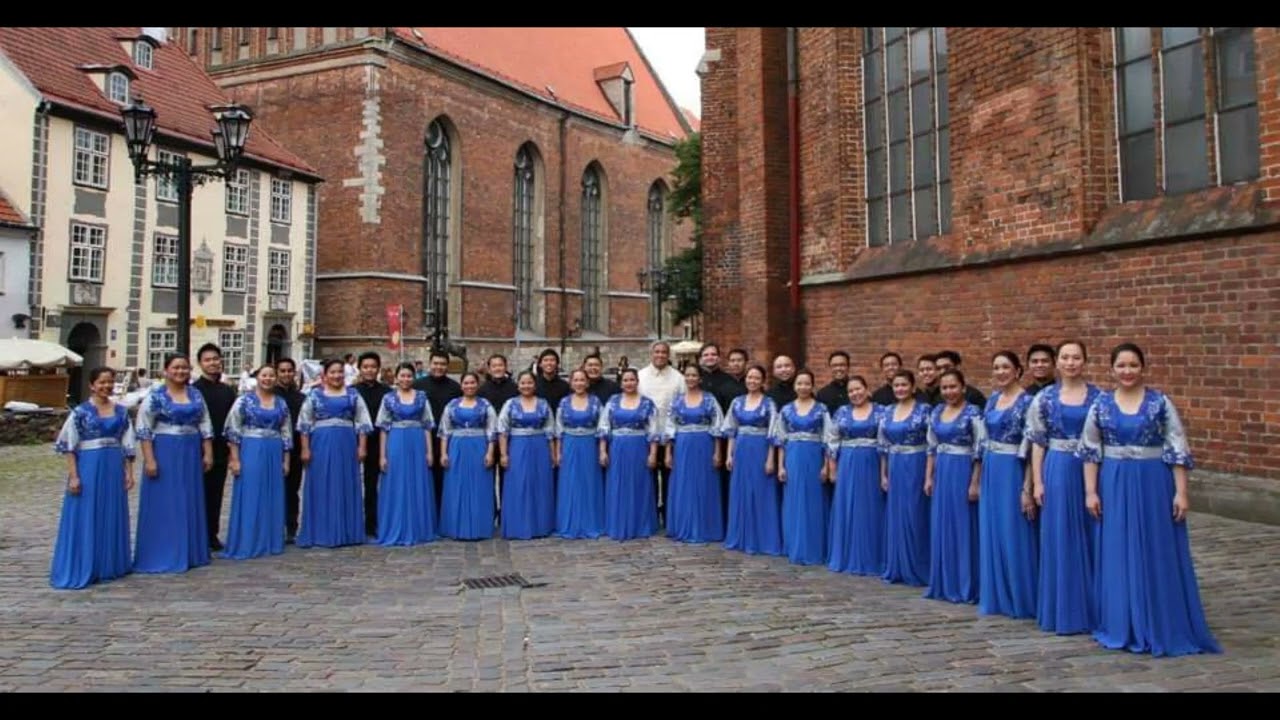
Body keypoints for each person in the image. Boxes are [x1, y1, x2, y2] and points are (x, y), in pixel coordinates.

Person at [1078, 343, 1221, 657]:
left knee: (1155, 547)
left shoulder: (1160, 403)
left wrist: (1181, 492)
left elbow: (1177, 449)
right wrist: (1090, 491)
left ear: (1143, 367)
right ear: (1112, 369)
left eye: (1133, 365)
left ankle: (1160, 618)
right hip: (1113, 482)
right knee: (1117, 548)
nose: (1127, 371)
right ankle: (1122, 621)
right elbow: (1090, 450)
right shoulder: (1100, 405)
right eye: (1121, 366)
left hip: (1153, 482)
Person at [1026, 340, 1100, 635]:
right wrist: (1038, 482)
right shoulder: (1044, 398)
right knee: (1060, 535)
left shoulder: (1098, 397)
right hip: (1057, 467)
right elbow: (1037, 442)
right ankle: (1064, 606)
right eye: (1066, 358)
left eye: (1076, 358)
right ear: (1058, 362)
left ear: (1085, 361)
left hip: (1092, 470)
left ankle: (1094, 604)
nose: (1071, 363)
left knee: (1091, 534)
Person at [50, 366, 136, 590]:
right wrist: (74, 476)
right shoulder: (80, 412)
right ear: (92, 385)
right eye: (102, 382)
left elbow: (128, 443)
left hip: (112, 466)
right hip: (89, 465)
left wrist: (128, 472)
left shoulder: (121, 411)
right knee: (88, 511)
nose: (106, 386)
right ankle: (86, 561)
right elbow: (69, 445)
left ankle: (109, 563)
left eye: (110, 382)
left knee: (110, 510)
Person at [133, 353, 214, 574]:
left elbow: (205, 423)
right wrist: (149, 459)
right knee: (166, 500)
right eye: (176, 368)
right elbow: (144, 428)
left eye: (185, 368)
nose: (181, 372)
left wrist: (207, 452)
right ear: (166, 371)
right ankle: (161, 550)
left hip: (190, 449)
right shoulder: (156, 396)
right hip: (165, 449)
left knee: (189, 497)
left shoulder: (195, 394)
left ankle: (189, 550)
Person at [978, 351, 1038, 620]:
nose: (1001, 372)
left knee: (1015, 530)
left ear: (1017, 370)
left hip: (1014, 467)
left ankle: (1021, 595)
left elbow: (1031, 443)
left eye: (1006, 367)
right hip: (992, 467)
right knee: (993, 529)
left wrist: (1027, 486)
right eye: (996, 367)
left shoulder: (1028, 402)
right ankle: (998, 593)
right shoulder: (992, 400)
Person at [297, 358, 373, 549]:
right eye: (333, 372)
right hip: (321, 443)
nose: (337, 375)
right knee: (321, 483)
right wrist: (305, 448)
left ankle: (348, 530)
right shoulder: (314, 395)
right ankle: (320, 530)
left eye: (340, 372)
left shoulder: (353, 395)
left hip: (346, 443)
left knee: (345, 482)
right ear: (324, 375)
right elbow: (304, 423)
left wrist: (362, 446)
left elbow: (363, 421)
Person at [922, 369, 984, 605]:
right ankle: (944, 581)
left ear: (963, 387)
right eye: (945, 388)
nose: (949, 392)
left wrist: (975, 482)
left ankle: (966, 583)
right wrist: (929, 477)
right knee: (943, 525)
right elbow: (931, 447)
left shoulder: (973, 413)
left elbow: (979, 449)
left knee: (963, 525)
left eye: (953, 387)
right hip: (942, 472)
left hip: (963, 470)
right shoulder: (937, 412)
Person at [222, 363, 293, 560]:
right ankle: (247, 538)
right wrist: (235, 458)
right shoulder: (244, 401)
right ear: (257, 377)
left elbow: (286, 432)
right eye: (264, 375)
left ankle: (269, 538)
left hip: (274, 448)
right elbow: (233, 430)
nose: (268, 379)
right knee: (251, 492)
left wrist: (285, 460)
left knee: (272, 493)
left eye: (271, 375)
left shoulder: (281, 403)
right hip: (251, 448)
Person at [825, 376, 887, 576]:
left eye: (858, 389)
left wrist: (884, 471)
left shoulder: (881, 412)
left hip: (872, 463)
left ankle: (871, 556)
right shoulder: (842, 413)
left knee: (870, 506)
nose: (855, 394)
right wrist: (832, 467)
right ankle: (847, 553)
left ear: (867, 389)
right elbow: (832, 439)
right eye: (851, 391)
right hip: (848, 463)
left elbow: (886, 440)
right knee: (848, 505)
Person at [772, 370, 833, 566]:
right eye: (799, 383)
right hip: (792, 458)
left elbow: (828, 439)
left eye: (807, 383)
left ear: (812, 385)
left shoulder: (821, 409)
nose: (803, 387)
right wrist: (781, 466)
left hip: (814, 457)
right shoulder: (787, 410)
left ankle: (815, 547)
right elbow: (780, 439)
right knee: (794, 500)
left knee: (814, 501)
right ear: (794, 386)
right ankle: (794, 545)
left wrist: (826, 466)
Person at [375, 362, 438, 546]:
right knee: (397, 482)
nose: (405, 379)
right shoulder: (388, 398)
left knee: (417, 481)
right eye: (402, 375)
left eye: (409, 376)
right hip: (395, 442)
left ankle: (419, 527)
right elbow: (383, 428)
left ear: (414, 377)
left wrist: (429, 452)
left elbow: (427, 425)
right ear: (396, 378)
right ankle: (395, 525)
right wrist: (382, 455)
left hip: (417, 441)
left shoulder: (421, 397)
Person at [722, 365, 781, 556]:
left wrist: (770, 459)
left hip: (761, 450)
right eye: (749, 377)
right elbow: (731, 430)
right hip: (741, 450)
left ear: (763, 381)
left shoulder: (769, 403)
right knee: (741, 492)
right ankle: (741, 536)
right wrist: (729, 455)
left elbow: (774, 433)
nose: (752, 381)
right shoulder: (737, 402)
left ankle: (762, 538)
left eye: (757, 378)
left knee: (761, 492)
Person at [662, 364, 725, 543]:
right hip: (682, 446)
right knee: (684, 484)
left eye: (694, 375)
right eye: (687, 375)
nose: (690, 378)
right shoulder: (677, 401)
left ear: (700, 378)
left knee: (704, 484)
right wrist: (668, 453)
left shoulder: (709, 399)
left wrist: (717, 452)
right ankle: (683, 526)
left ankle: (706, 527)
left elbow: (717, 426)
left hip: (704, 445)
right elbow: (670, 427)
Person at [880, 369, 931, 587]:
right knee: (897, 515)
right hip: (895, 465)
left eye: (904, 385)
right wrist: (883, 474)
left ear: (912, 386)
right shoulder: (888, 411)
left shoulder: (925, 410)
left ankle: (918, 565)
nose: (900, 389)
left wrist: (929, 474)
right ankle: (898, 565)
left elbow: (932, 444)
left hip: (916, 462)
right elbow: (882, 445)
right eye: (896, 386)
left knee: (915, 513)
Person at [599, 368, 661, 541]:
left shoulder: (647, 403)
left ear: (637, 382)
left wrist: (653, 454)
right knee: (618, 484)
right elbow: (604, 427)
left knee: (639, 484)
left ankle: (640, 524)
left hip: (639, 448)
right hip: (617, 447)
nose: (629, 383)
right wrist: (603, 451)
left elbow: (653, 430)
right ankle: (618, 523)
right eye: (625, 380)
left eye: (632, 379)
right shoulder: (613, 401)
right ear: (621, 383)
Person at [496, 371, 556, 540]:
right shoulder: (510, 404)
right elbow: (502, 430)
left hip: (540, 447)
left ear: (535, 385)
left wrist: (552, 454)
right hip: (517, 446)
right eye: (523, 383)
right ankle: (518, 525)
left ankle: (540, 525)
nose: (526, 386)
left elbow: (550, 430)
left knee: (540, 484)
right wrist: (503, 454)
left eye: (529, 383)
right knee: (518, 484)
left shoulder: (543, 404)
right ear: (518, 385)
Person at [438, 373, 498, 540]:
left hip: (479, 446)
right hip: (456, 447)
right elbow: (445, 431)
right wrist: (443, 453)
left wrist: (490, 452)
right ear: (461, 385)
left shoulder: (485, 405)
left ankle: (479, 527)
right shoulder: (452, 405)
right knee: (456, 485)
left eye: (472, 383)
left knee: (479, 486)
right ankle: (455, 526)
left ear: (477, 385)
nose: (469, 386)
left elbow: (492, 431)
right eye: (466, 383)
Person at [193, 343, 236, 552]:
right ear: (200, 364)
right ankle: (197, 533)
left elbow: (233, 422)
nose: (213, 363)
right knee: (197, 492)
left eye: (216, 359)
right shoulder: (194, 390)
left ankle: (212, 533)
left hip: (221, 449)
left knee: (216, 493)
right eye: (208, 360)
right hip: (197, 449)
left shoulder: (227, 391)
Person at [554, 370, 606, 539]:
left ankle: (591, 522)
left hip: (590, 444)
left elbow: (602, 427)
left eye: (582, 380)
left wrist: (601, 450)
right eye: (575, 380)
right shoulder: (564, 402)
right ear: (571, 383)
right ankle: (570, 522)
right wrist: (558, 452)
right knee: (570, 483)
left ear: (587, 382)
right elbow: (558, 429)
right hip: (569, 444)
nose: (579, 383)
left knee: (589, 482)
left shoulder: (595, 402)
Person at [353, 352, 390, 538]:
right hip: (354, 442)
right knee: (352, 482)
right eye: (366, 367)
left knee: (373, 483)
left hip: (379, 442)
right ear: (360, 369)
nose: (369, 370)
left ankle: (372, 522)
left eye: (373, 367)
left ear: (378, 369)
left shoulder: (386, 392)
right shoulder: (353, 391)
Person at [273, 358, 306, 544]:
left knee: (292, 489)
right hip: (272, 448)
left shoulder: (301, 398)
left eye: (289, 371)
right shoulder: (271, 396)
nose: (286, 374)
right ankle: (273, 524)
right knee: (273, 487)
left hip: (295, 448)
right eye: (282, 371)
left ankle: (291, 526)